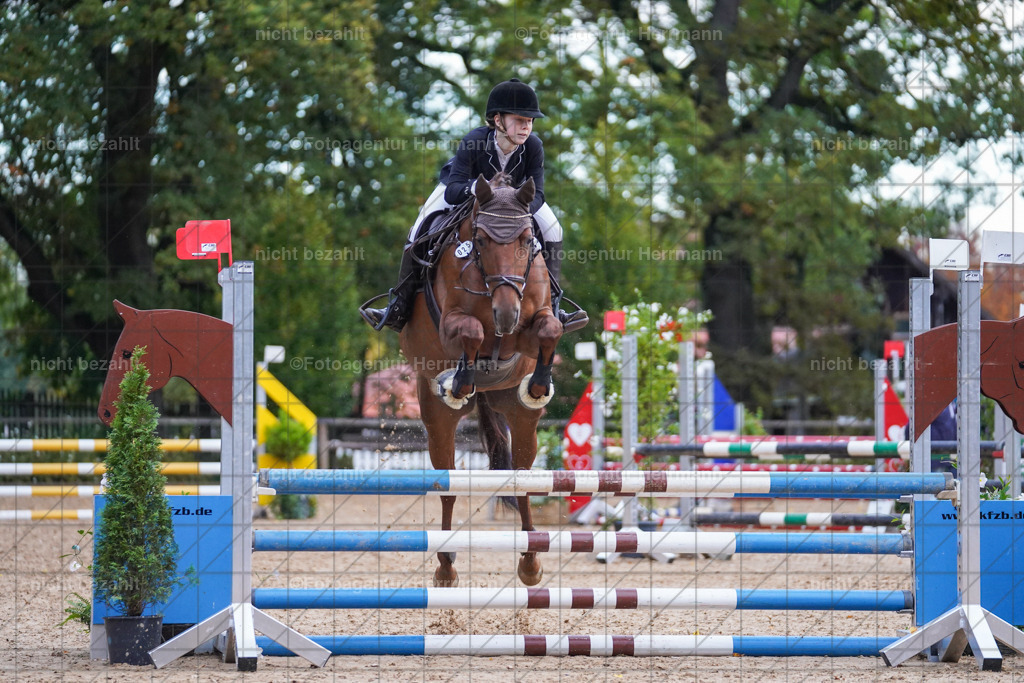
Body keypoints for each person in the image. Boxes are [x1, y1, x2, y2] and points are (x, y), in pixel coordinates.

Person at [361, 78, 585, 332]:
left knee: (554, 229)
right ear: (498, 120)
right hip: (463, 191)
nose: (526, 127)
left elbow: (539, 194)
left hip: (514, 206)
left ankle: (554, 306)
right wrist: (481, 191)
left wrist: (514, 209)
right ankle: (399, 305)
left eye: (530, 121)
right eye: (519, 120)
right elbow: (454, 189)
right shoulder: (475, 140)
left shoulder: (534, 146)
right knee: (419, 226)